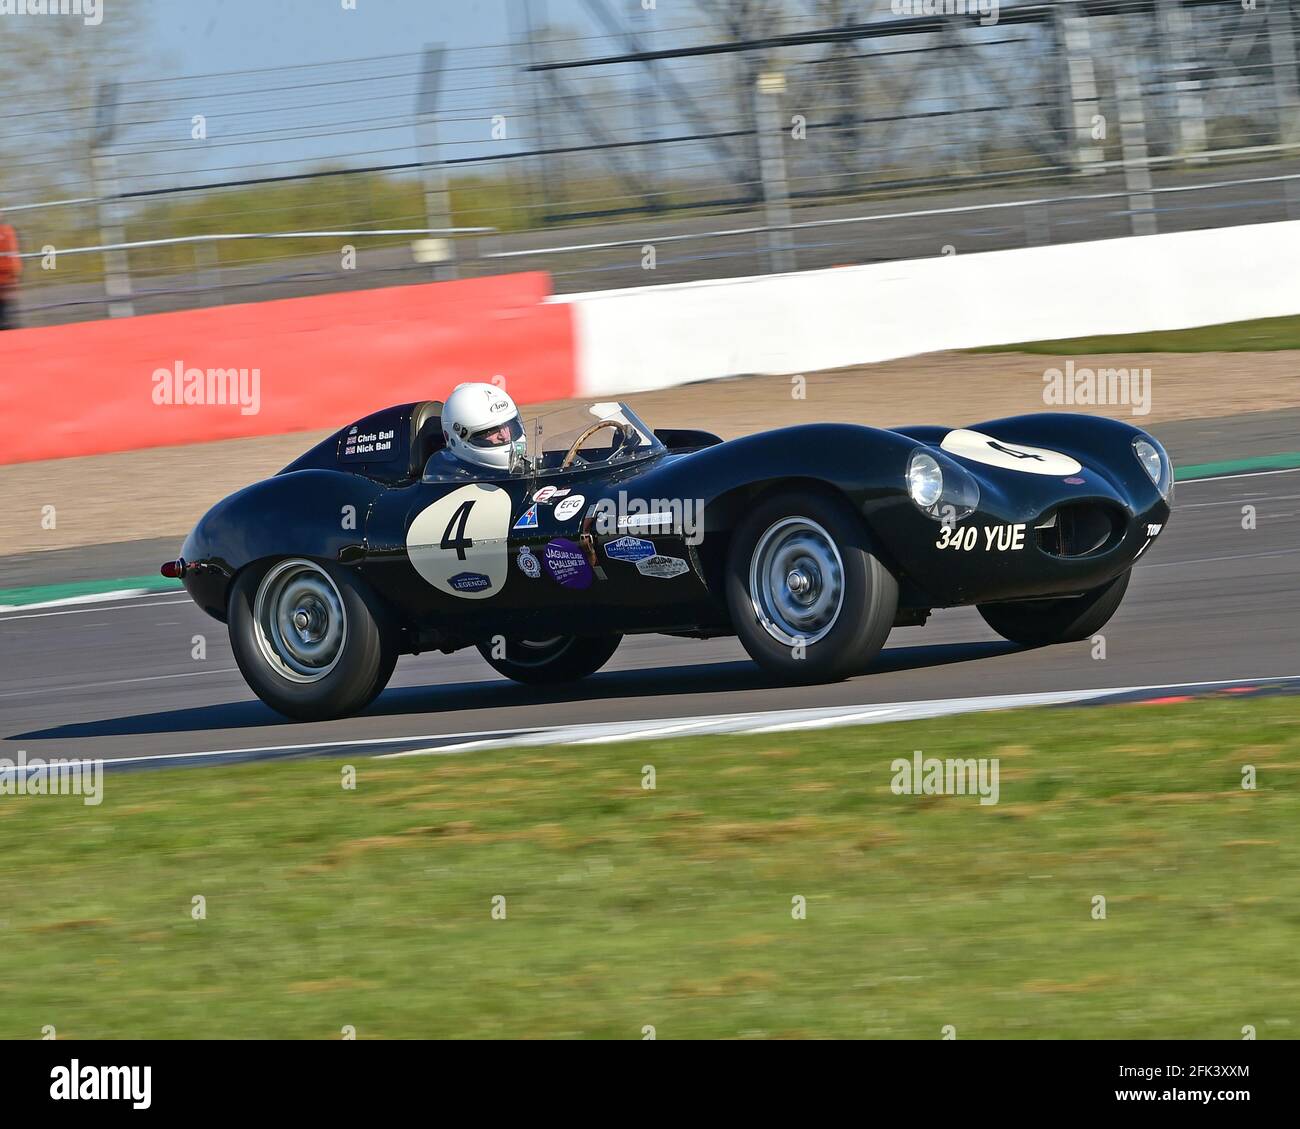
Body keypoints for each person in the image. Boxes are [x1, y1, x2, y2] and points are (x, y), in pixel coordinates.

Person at [441, 382, 527, 473]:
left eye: (509, 425)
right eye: (491, 431)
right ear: (456, 437)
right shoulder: (445, 478)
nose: (505, 436)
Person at [0, 222, 20, 330]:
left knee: (6, 310)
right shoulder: (7, 231)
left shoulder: (7, 231)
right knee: (6, 311)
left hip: (6, 277)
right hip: (6, 277)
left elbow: (13, 253)